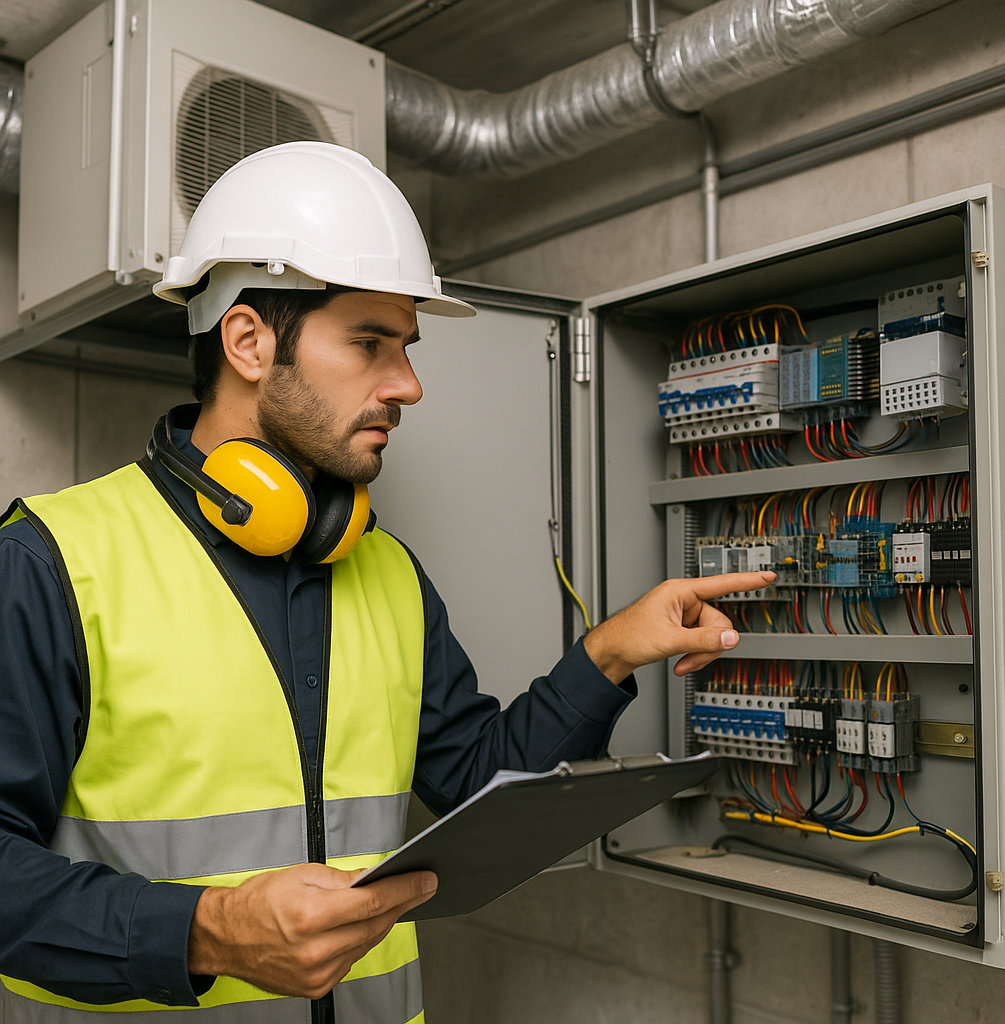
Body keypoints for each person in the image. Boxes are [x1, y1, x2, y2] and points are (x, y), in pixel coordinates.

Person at [0, 142, 773, 1023]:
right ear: (249, 340)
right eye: (370, 343)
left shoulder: (387, 571)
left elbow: (477, 783)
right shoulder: (53, 561)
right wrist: (203, 932)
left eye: (404, 346)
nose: (407, 384)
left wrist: (606, 655)